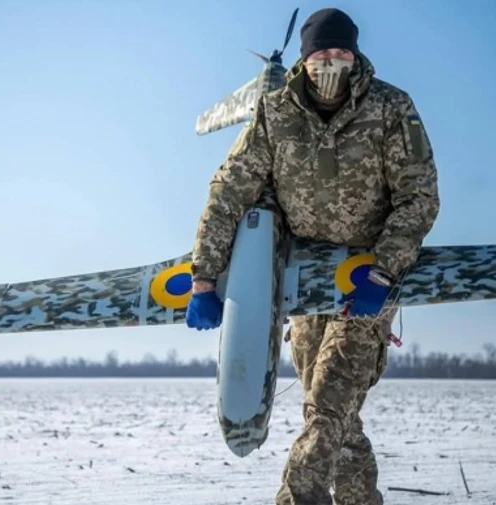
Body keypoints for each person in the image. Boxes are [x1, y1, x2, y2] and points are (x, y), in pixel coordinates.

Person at [185, 7, 440, 505]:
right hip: (301, 278)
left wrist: (384, 271)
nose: (333, 61)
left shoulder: (391, 108)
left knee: (326, 407)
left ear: (356, 53)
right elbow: (229, 191)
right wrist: (203, 277)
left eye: (342, 52)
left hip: (365, 280)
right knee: (333, 415)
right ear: (305, 58)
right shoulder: (274, 112)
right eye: (323, 52)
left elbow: (419, 196)